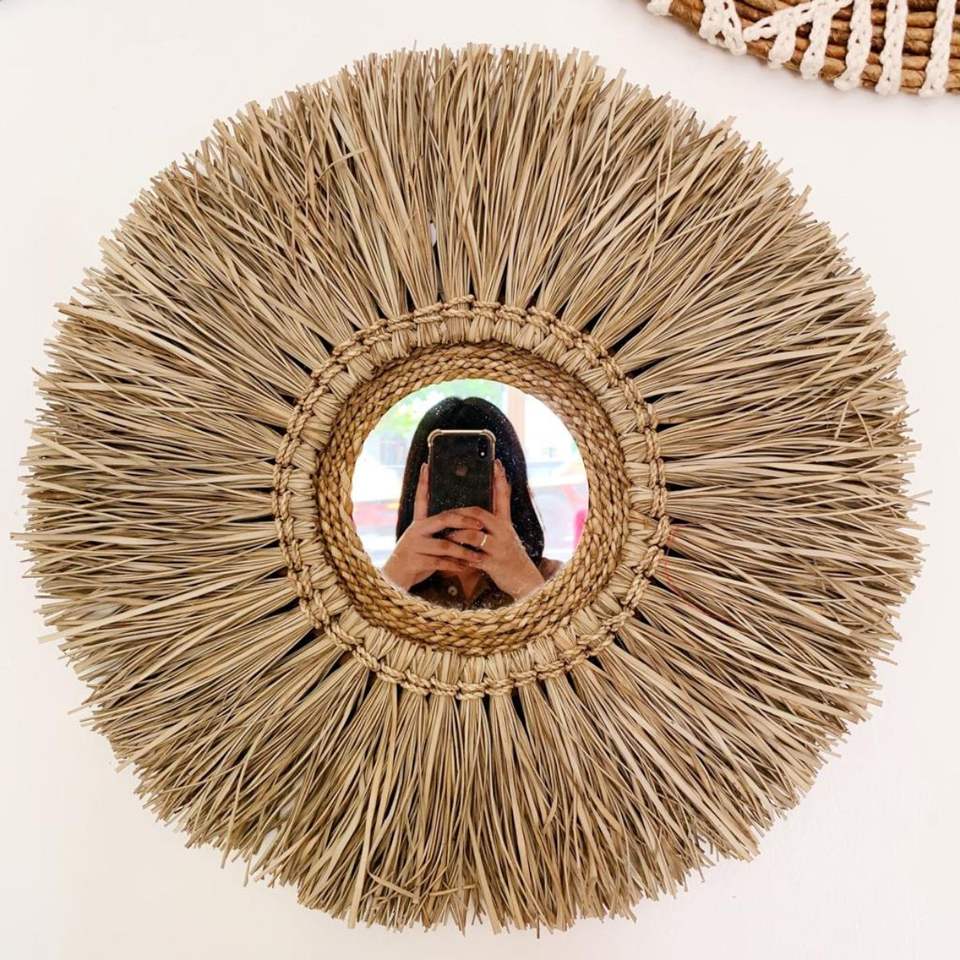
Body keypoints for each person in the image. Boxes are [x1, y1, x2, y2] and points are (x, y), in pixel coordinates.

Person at [381, 396, 563, 609]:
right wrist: (391, 582)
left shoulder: (557, 581)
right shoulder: (385, 580)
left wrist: (528, 585)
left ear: (509, 483)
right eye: (447, 473)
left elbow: (575, 631)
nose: (461, 491)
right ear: (420, 484)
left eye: (477, 474)